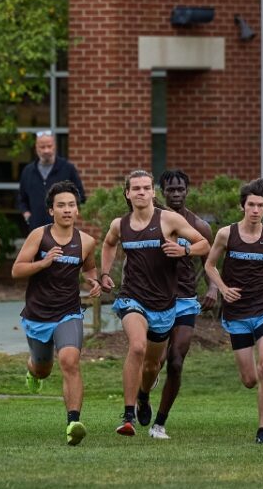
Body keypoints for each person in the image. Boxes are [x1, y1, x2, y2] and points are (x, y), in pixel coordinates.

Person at [100, 170, 209, 437]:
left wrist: (185, 250)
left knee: (151, 366)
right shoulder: (120, 224)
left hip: (164, 304)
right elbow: (108, 243)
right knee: (137, 346)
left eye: (146, 187)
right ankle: (128, 417)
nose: (141, 192)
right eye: (135, 188)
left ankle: (144, 396)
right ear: (127, 193)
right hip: (132, 298)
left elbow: (204, 244)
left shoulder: (169, 219)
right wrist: (104, 273)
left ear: (152, 192)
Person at [204, 178, 263, 444]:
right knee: (249, 379)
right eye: (251, 205)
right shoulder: (226, 234)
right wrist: (222, 289)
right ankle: (261, 388)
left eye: (260, 205)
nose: (255, 210)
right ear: (242, 207)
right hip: (236, 312)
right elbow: (210, 266)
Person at [14, 181, 101, 446]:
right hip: (38, 314)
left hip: (68, 312)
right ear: (51, 210)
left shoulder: (86, 242)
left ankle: (73, 422)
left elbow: (88, 269)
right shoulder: (39, 236)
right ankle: (33, 371)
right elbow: (17, 270)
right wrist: (44, 262)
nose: (66, 210)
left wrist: (93, 281)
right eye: (61, 205)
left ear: (77, 210)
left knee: (70, 361)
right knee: (43, 368)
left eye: (71, 205)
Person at [147, 169, 215, 440]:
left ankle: (159, 424)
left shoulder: (199, 226)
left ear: (187, 191)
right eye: (170, 190)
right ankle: (143, 396)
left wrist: (212, 287)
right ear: (162, 192)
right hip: (156, 298)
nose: (176, 194)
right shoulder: (155, 222)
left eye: (180, 189)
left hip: (186, 300)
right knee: (155, 361)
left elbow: (208, 262)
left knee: (176, 361)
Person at [17, 131, 86, 229]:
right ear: (36, 148)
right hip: (36, 229)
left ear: (55, 146)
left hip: (63, 230)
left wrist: (71, 214)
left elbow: (80, 196)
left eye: (49, 146)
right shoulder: (28, 171)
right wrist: (27, 215)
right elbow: (22, 199)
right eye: (42, 147)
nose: (46, 150)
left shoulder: (67, 168)